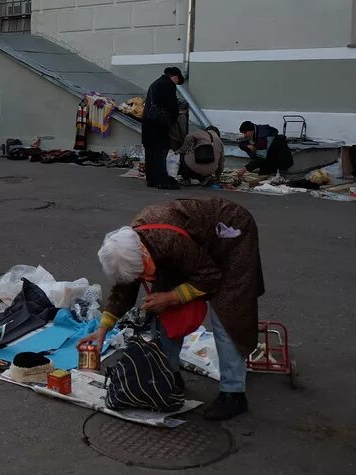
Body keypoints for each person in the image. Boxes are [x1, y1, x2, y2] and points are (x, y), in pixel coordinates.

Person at [81, 197, 264, 421]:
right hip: (191, 250)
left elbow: (209, 276)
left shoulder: (169, 241)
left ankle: (233, 393)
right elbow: (123, 290)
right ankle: (169, 375)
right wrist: (102, 330)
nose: (142, 279)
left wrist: (170, 296)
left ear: (144, 254)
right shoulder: (127, 249)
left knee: (227, 313)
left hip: (230, 236)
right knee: (164, 312)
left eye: (142, 273)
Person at [141, 66, 184, 189]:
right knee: (160, 151)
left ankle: (151, 179)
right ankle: (162, 180)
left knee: (150, 152)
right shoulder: (169, 85)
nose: (176, 83)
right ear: (175, 77)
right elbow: (172, 106)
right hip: (159, 124)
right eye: (177, 80)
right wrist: (174, 117)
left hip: (148, 124)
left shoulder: (154, 84)